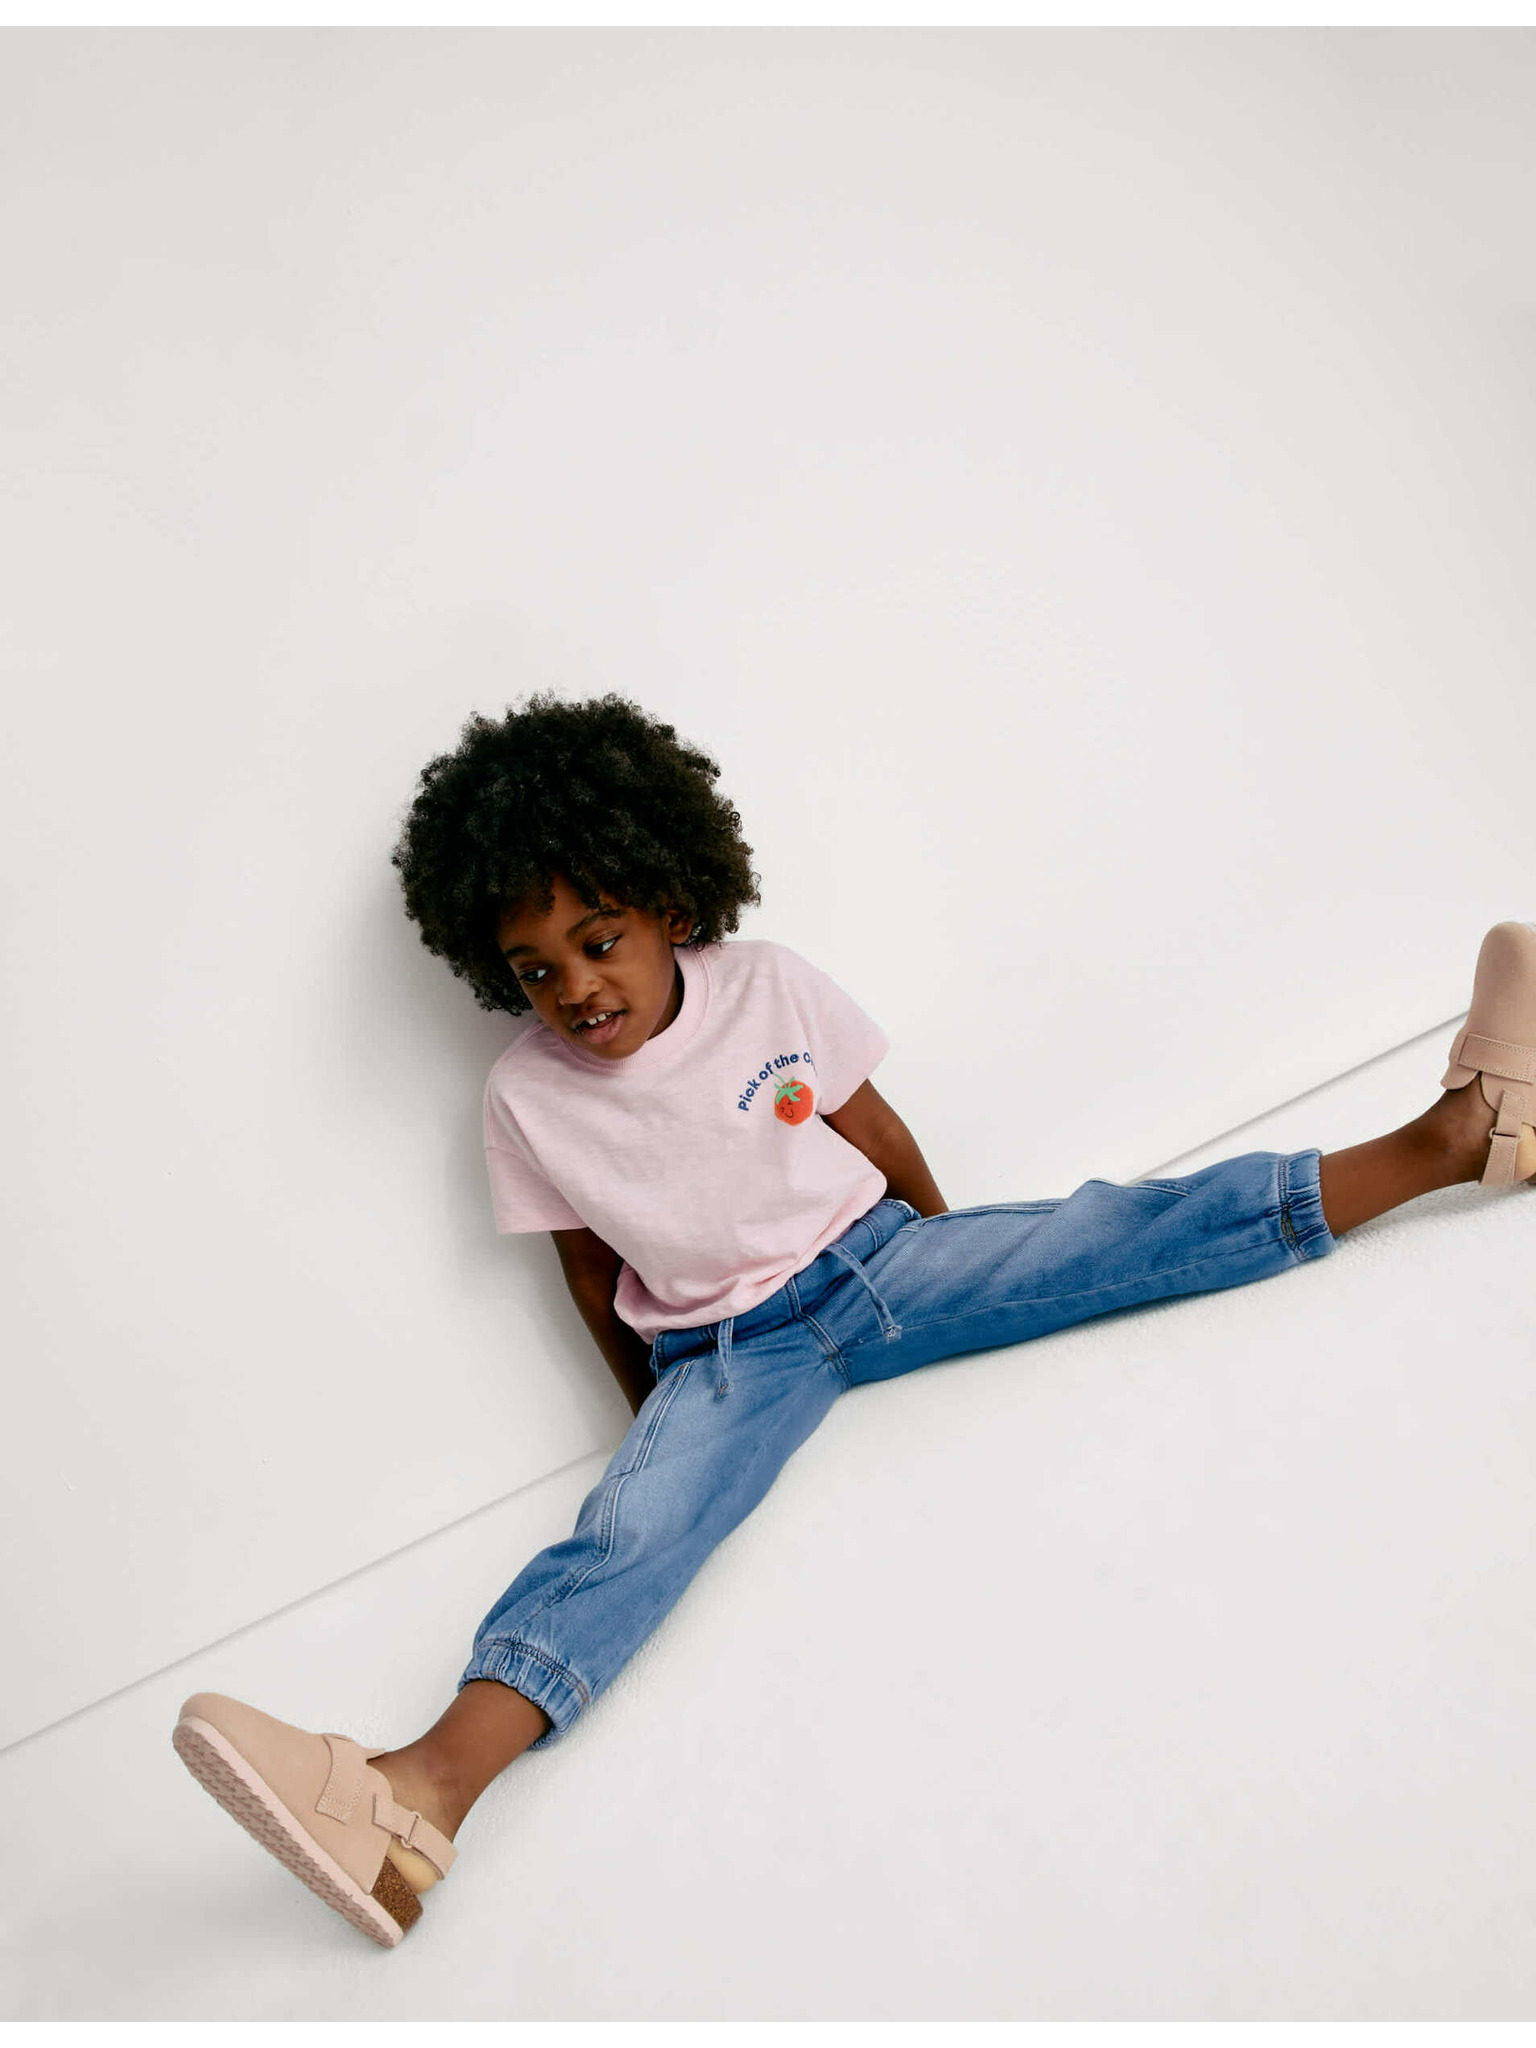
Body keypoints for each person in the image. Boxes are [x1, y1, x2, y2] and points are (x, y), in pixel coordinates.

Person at [171, 691, 1536, 1949]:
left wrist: (951, 1249)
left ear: (666, 900)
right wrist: (654, 1421)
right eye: (532, 971)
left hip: (880, 1263)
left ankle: (1456, 1139)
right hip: (725, 1356)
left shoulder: (766, 986)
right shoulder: (525, 1101)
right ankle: (411, 1802)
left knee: (1108, 1231)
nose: (576, 989)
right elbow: (587, 1273)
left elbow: (872, 1131)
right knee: (630, 1535)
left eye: (598, 941)